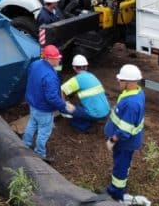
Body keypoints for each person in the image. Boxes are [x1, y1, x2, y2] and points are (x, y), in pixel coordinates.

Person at [22, 44, 75, 162]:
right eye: (56, 57)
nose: (59, 59)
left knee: (32, 122)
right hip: (44, 109)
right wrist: (64, 106)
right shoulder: (50, 76)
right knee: (44, 131)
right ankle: (40, 153)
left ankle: (25, 144)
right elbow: (51, 97)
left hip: (33, 103)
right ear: (49, 58)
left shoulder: (35, 64)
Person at [103, 64, 145, 201]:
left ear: (129, 82)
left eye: (121, 80)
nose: (118, 81)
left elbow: (125, 130)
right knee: (123, 163)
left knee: (120, 165)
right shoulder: (137, 92)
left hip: (124, 142)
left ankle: (116, 192)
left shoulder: (132, 104)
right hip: (128, 141)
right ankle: (120, 186)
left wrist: (113, 140)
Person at [61, 54, 110, 132]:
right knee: (81, 105)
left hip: (95, 114)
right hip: (106, 111)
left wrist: (63, 103)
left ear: (74, 67)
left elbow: (61, 90)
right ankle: (93, 119)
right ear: (86, 67)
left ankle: (84, 127)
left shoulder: (77, 79)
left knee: (66, 110)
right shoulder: (92, 76)